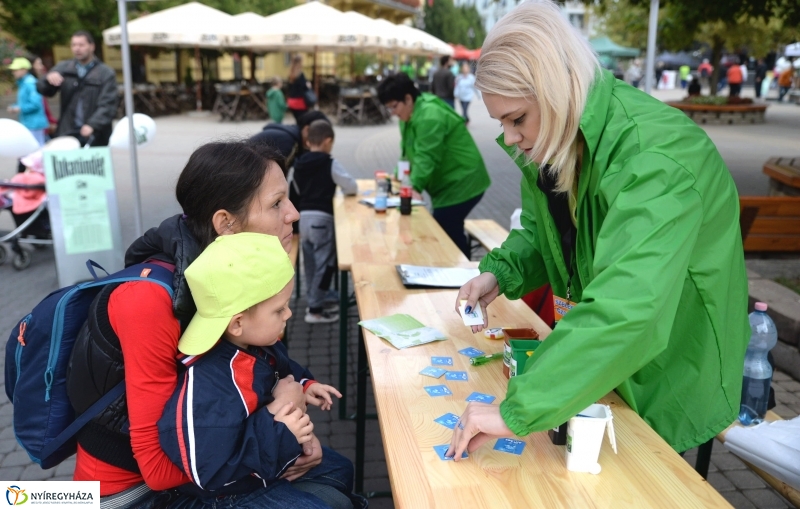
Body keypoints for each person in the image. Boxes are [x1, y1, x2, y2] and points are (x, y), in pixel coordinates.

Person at [446, 0, 748, 461]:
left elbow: (630, 306)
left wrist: (516, 410)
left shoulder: (653, 158)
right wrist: (499, 274)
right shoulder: (560, 137)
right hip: (603, 360)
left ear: (555, 90)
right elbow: (545, 231)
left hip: (670, 372)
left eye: (516, 118)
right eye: (501, 121)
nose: (508, 137)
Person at [66, 141, 357, 508]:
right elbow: (158, 469)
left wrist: (290, 421)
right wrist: (283, 436)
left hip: (218, 451)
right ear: (226, 224)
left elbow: (263, 366)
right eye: (276, 203)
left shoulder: (230, 274)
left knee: (337, 474)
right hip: (131, 491)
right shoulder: (149, 302)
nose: (294, 213)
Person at [158, 233, 364, 508]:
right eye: (279, 310)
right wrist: (281, 431)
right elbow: (210, 471)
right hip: (226, 495)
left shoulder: (254, 344)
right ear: (237, 323)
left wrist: (304, 384)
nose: (289, 314)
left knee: (341, 468)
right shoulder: (209, 385)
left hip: (262, 466)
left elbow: (282, 369)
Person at [377, 73, 491, 256]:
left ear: (408, 98)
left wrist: (413, 186)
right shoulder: (410, 115)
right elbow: (406, 152)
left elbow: (425, 157)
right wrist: (397, 176)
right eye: (389, 108)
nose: (393, 113)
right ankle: (458, 273)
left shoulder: (429, 116)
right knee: (445, 228)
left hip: (463, 181)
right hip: (448, 183)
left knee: (444, 229)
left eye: (394, 106)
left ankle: (462, 276)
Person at [293, 121, 357, 324]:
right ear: (328, 141)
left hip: (303, 219)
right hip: (322, 220)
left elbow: (293, 192)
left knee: (310, 264)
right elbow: (351, 185)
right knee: (326, 265)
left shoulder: (299, 165)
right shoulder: (329, 162)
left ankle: (314, 298)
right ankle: (315, 310)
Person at [36, 30, 117, 146]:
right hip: (67, 131)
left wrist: (93, 124)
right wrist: (48, 79)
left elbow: (108, 105)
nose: (77, 49)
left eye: (81, 45)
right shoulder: (64, 67)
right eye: (74, 45)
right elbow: (44, 90)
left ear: (92, 46)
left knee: (92, 163)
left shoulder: (105, 73)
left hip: (95, 134)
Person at [7, 58, 49, 146]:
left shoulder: (30, 83)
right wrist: (15, 106)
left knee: (36, 152)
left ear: (24, 70)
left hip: (35, 124)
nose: (13, 72)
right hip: (28, 123)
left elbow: (36, 104)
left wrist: (19, 108)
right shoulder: (23, 83)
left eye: (16, 70)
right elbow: (24, 102)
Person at [287, 55, 310, 121]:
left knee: (298, 120)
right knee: (303, 121)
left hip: (291, 101)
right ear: (300, 63)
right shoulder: (300, 74)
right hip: (299, 102)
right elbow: (304, 87)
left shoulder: (290, 74)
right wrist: (308, 85)